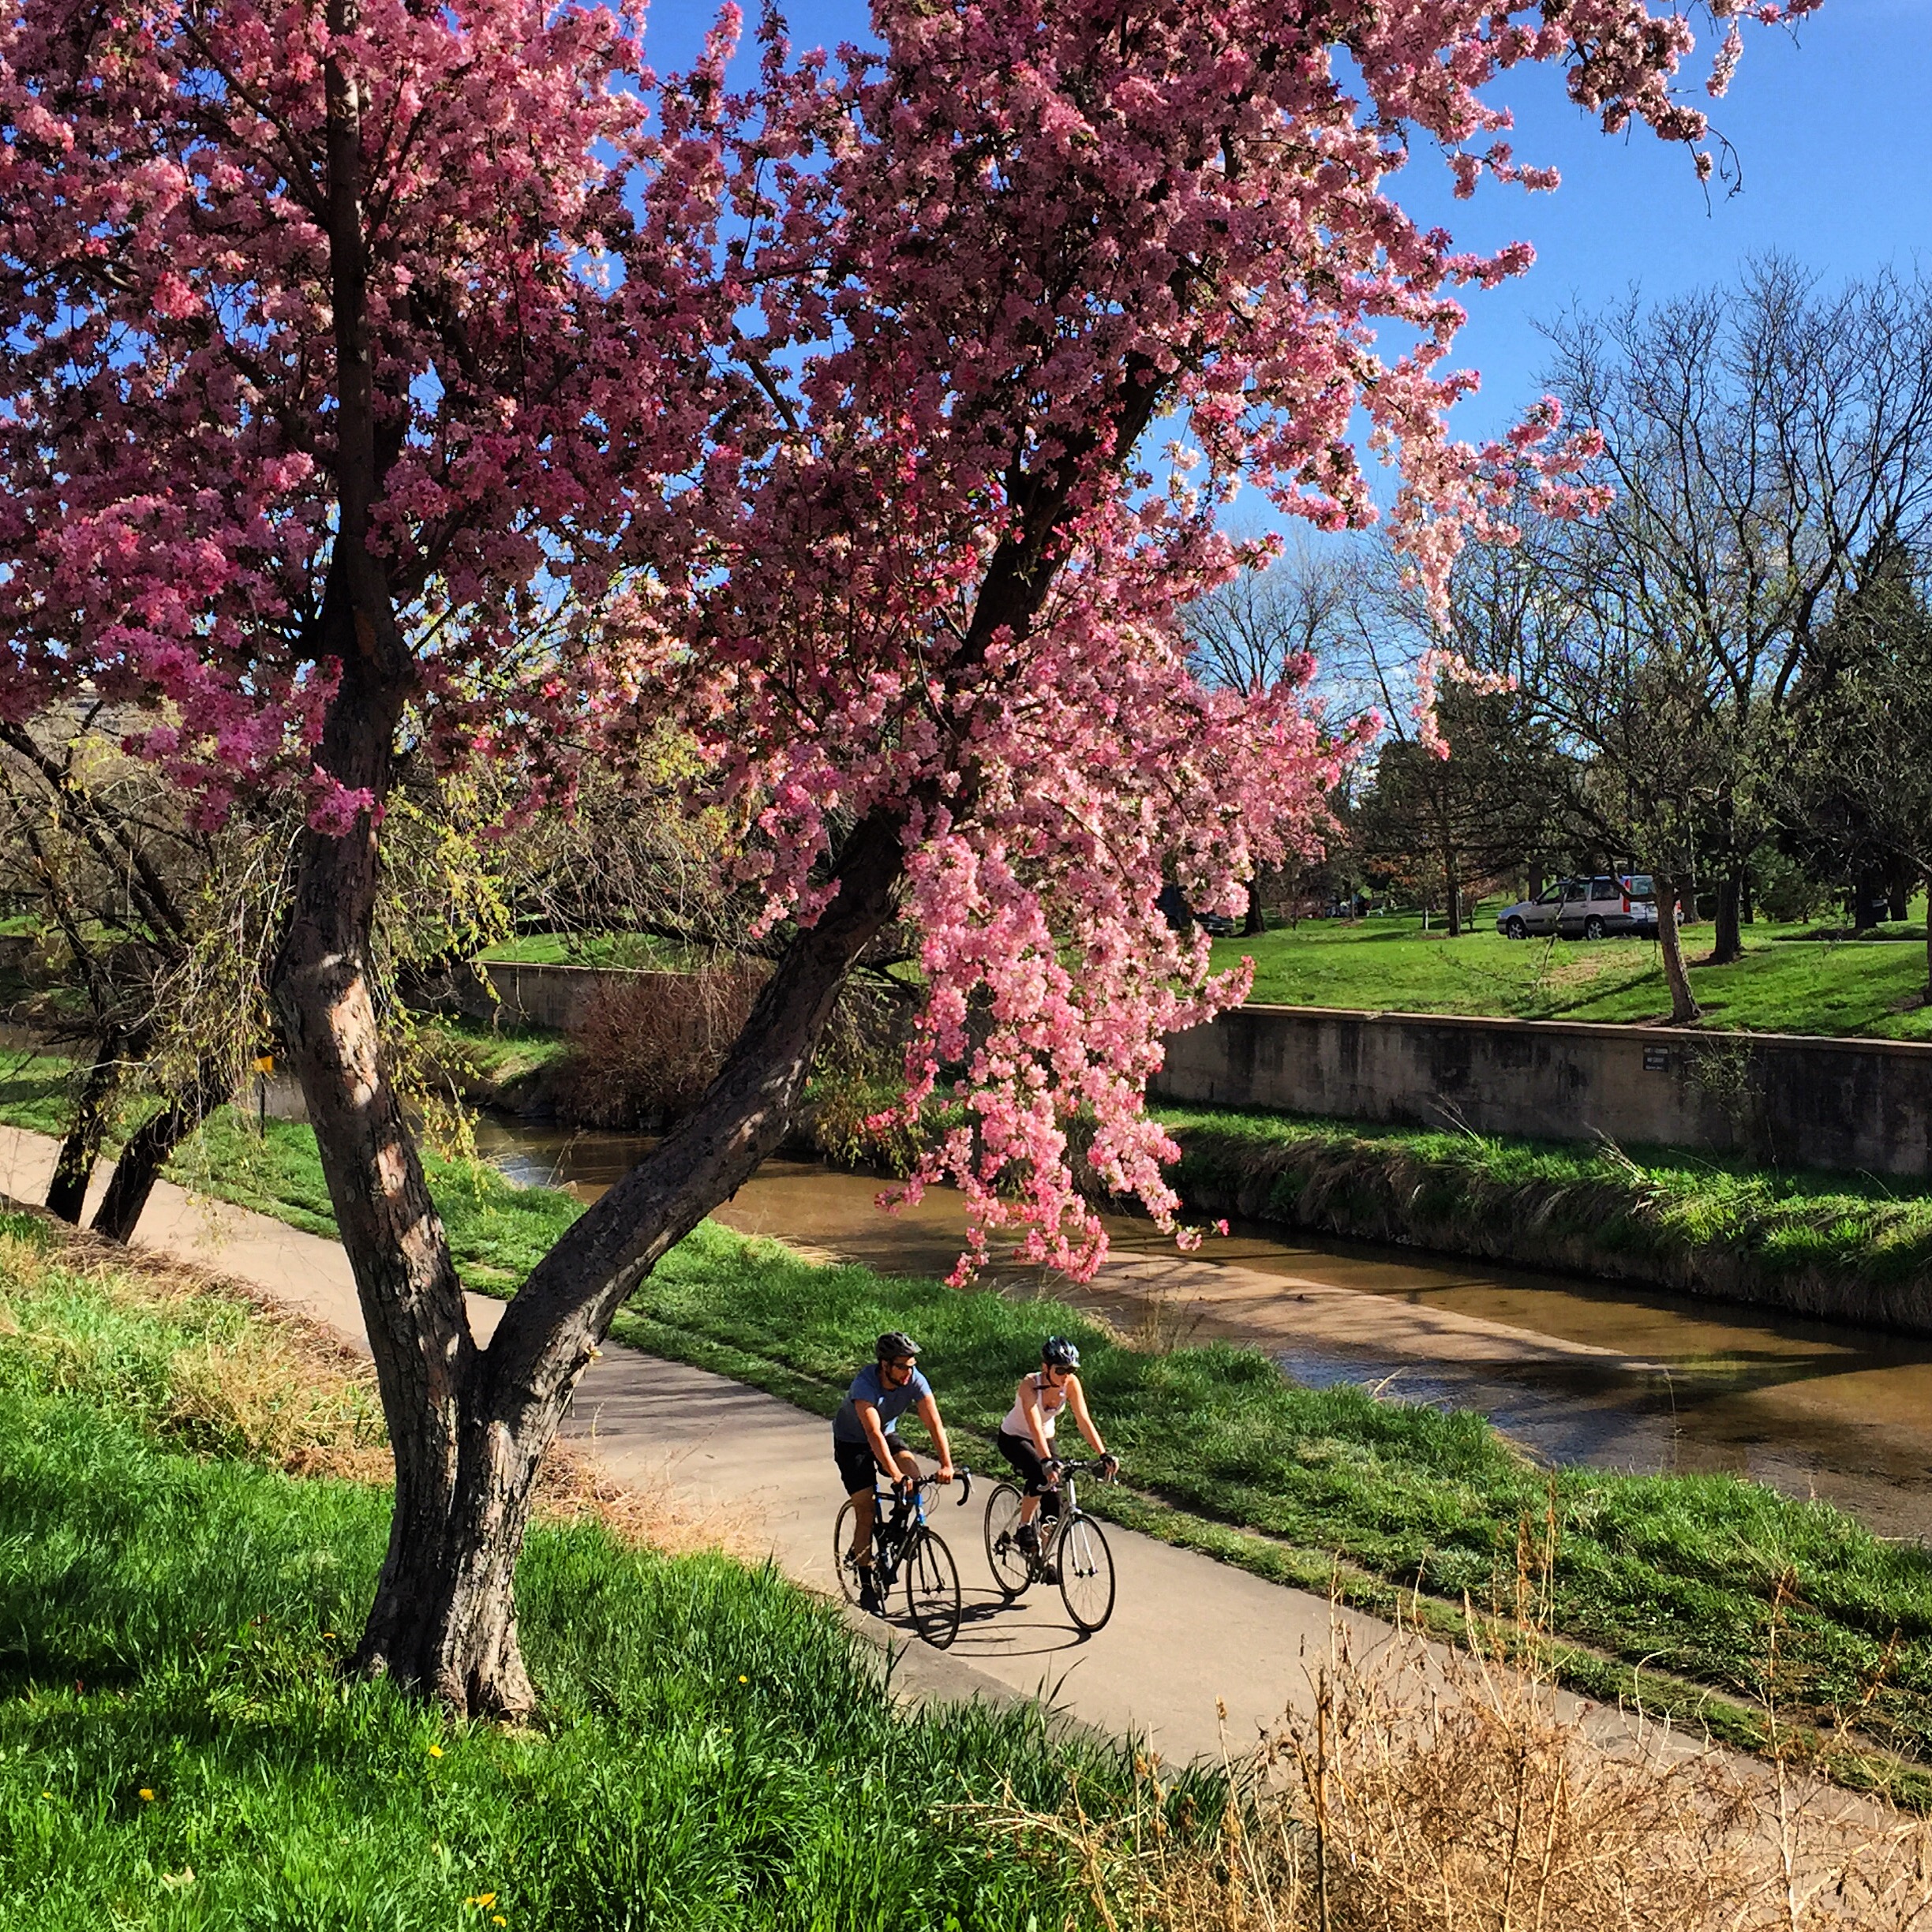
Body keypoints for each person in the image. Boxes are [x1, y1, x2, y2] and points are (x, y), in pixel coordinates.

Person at [833, 1331, 954, 1608]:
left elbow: (934, 1423)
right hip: (853, 1442)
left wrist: (946, 1464)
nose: (908, 1373)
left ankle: (896, 1527)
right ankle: (866, 1586)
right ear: (885, 1365)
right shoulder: (865, 1385)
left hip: (887, 1434)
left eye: (911, 1366)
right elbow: (872, 1434)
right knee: (865, 1509)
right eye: (902, 1366)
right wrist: (894, 1476)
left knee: (914, 1477)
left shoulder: (915, 1380)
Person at [995, 1337, 1116, 1578]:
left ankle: (1042, 1557)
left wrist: (1103, 1454)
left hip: (1045, 1437)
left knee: (1055, 1502)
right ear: (1045, 1367)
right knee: (1039, 1473)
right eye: (1060, 1370)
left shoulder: (1070, 1384)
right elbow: (1034, 1426)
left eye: (1070, 1370)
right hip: (1015, 1437)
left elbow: (1083, 1421)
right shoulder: (1029, 1385)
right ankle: (1023, 1528)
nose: (1065, 1375)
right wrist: (1046, 1461)